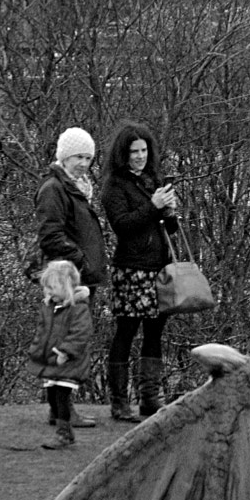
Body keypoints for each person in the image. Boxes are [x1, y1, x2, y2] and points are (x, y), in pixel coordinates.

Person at [98, 122, 179, 423]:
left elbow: (170, 227)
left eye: (144, 150)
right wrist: (153, 206)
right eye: (134, 152)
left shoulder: (151, 179)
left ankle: (149, 399)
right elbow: (123, 225)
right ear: (123, 154)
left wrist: (169, 210)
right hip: (132, 268)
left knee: (156, 332)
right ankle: (119, 401)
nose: (140, 156)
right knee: (126, 331)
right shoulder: (114, 186)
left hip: (159, 266)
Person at [37, 127, 109, 427]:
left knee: (66, 342)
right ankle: (64, 409)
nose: (84, 163)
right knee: (69, 343)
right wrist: (80, 260)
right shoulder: (54, 189)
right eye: (79, 156)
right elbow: (50, 235)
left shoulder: (76, 188)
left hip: (78, 278)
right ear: (65, 156)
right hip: (66, 281)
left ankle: (59, 409)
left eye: (89, 158)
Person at [28, 259, 94, 451]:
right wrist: (36, 350)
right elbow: (42, 332)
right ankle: (64, 431)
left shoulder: (79, 308)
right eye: (46, 287)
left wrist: (65, 351)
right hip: (51, 361)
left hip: (68, 362)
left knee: (61, 397)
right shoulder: (48, 308)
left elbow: (81, 333)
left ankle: (64, 433)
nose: (48, 292)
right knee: (51, 397)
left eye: (52, 287)